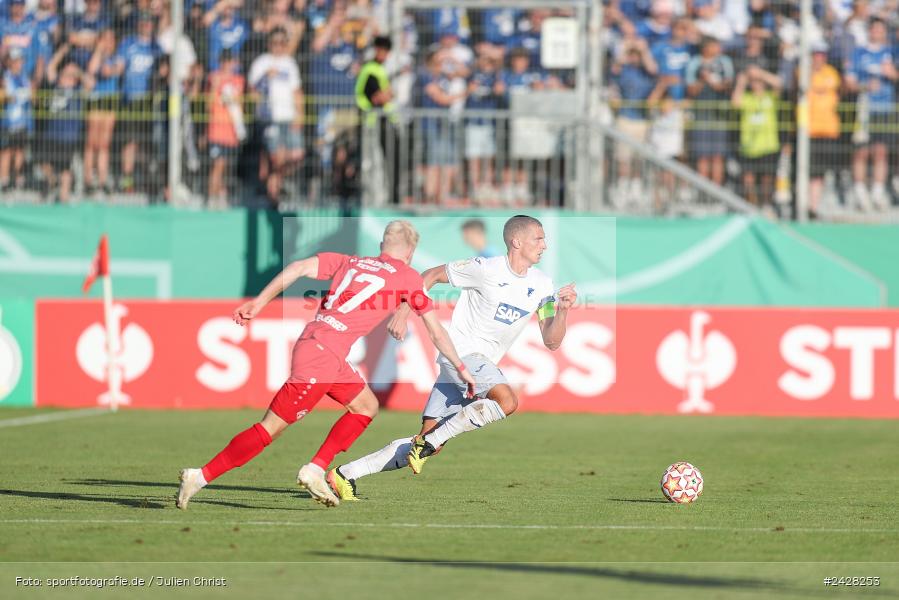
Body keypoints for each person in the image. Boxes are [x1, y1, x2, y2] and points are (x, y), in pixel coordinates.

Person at [177, 221, 478, 509]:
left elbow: (297, 268)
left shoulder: (349, 261)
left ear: (381, 245)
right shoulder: (409, 276)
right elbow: (436, 331)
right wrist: (461, 369)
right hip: (321, 357)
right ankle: (200, 476)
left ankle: (316, 468)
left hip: (321, 349)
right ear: (410, 252)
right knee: (270, 429)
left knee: (365, 406)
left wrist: (259, 302)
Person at [329, 215, 578, 501]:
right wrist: (403, 311)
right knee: (507, 401)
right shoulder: (485, 268)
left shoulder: (543, 285)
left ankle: (344, 474)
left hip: (468, 366)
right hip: (461, 355)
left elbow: (552, 340)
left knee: (425, 442)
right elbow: (430, 275)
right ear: (516, 241)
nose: (545, 245)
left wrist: (563, 311)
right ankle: (428, 443)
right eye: (539, 238)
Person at [248, 27, 304, 205]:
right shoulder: (261, 63)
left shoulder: (290, 63)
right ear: (269, 43)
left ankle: (273, 181)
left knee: (296, 155)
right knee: (276, 156)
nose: (278, 47)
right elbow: (252, 93)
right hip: (269, 118)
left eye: (282, 43)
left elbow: (297, 91)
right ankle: (274, 196)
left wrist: (300, 115)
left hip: (289, 116)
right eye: (275, 43)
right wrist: (265, 77)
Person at [846, 18, 896, 211]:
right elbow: (849, 81)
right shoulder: (860, 53)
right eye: (874, 29)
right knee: (862, 151)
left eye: (880, 29)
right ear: (869, 31)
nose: (877, 32)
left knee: (881, 151)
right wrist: (865, 86)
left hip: (885, 109)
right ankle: (859, 192)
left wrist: (892, 74)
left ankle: (877, 192)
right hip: (864, 109)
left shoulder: (891, 52)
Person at [118, 12, 161, 193]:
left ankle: (146, 179)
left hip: (150, 102)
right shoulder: (128, 43)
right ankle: (127, 179)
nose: (146, 25)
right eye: (143, 22)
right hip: (131, 100)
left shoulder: (156, 47)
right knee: (130, 142)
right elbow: (119, 67)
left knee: (147, 143)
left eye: (148, 22)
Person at [42, 47, 91, 203]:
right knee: (43, 162)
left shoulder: (78, 90)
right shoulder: (55, 85)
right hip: (51, 134)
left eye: (71, 75)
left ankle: (63, 196)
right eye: (65, 73)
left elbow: (90, 83)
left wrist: (79, 73)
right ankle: (53, 182)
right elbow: (50, 68)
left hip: (69, 136)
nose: (67, 77)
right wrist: (61, 53)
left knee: (65, 167)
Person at [356, 35, 399, 204]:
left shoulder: (379, 69)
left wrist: (388, 94)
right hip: (373, 124)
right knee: (373, 164)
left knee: (382, 163)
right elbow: (379, 97)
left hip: (382, 122)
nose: (384, 54)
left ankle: (382, 197)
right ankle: (374, 199)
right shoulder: (371, 70)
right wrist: (388, 94)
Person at [686, 36, 733, 186]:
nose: (718, 49)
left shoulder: (724, 61)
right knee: (703, 155)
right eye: (714, 46)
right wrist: (702, 80)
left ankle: (716, 191)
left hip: (719, 113)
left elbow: (727, 85)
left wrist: (711, 81)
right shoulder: (694, 63)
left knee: (718, 155)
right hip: (701, 114)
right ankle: (704, 192)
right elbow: (691, 89)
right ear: (705, 48)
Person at [732, 66, 781, 208]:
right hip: (749, 146)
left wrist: (761, 73)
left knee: (767, 179)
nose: (756, 84)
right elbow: (735, 102)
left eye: (758, 81)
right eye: (753, 81)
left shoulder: (770, 97)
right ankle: (751, 206)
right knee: (748, 179)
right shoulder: (747, 98)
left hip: (768, 145)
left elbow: (779, 83)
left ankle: (766, 204)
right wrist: (742, 81)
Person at [84, 29, 123, 196]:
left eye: (111, 39)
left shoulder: (117, 56)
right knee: (92, 142)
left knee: (104, 144)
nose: (108, 42)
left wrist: (110, 69)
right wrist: (99, 50)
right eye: (105, 39)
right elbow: (92, 69)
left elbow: (117, 69)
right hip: (96, 100)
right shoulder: (96, 55)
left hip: (109, 102)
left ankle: (102, 179)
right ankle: (88, 179)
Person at [806, 43, 841, 219]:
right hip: (808, 131)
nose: (818, 58)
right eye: (815, 55)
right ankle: (807, 206)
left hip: (828, 130)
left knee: (822, 171)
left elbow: (829, 87)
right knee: (807, 170)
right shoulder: (803, 71)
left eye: (821, 55)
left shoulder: (831, 73)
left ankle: (818, 205)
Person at [206, 49, 245, 208]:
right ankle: (212, 198)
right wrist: (215, 87)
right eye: (226, 61)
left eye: (231, 61)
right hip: (217, 130)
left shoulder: (239, 80)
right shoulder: (213, 78)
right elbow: (209, 105)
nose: (229, 65)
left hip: (232, 131)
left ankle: (222, 194)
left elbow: (239, 103)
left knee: (227, 167)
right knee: (218, 165)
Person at [0, 47, 32, 192]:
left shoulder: (24, 78)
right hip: (8, 121)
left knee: (20, 150)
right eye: (15, 61)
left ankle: (16, 179)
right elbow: (9, 96)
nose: (18, 64)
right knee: (6, 151)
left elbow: (30, 95)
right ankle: (4, 180)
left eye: (19, 61)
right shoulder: (5, 77)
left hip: (23, 121)